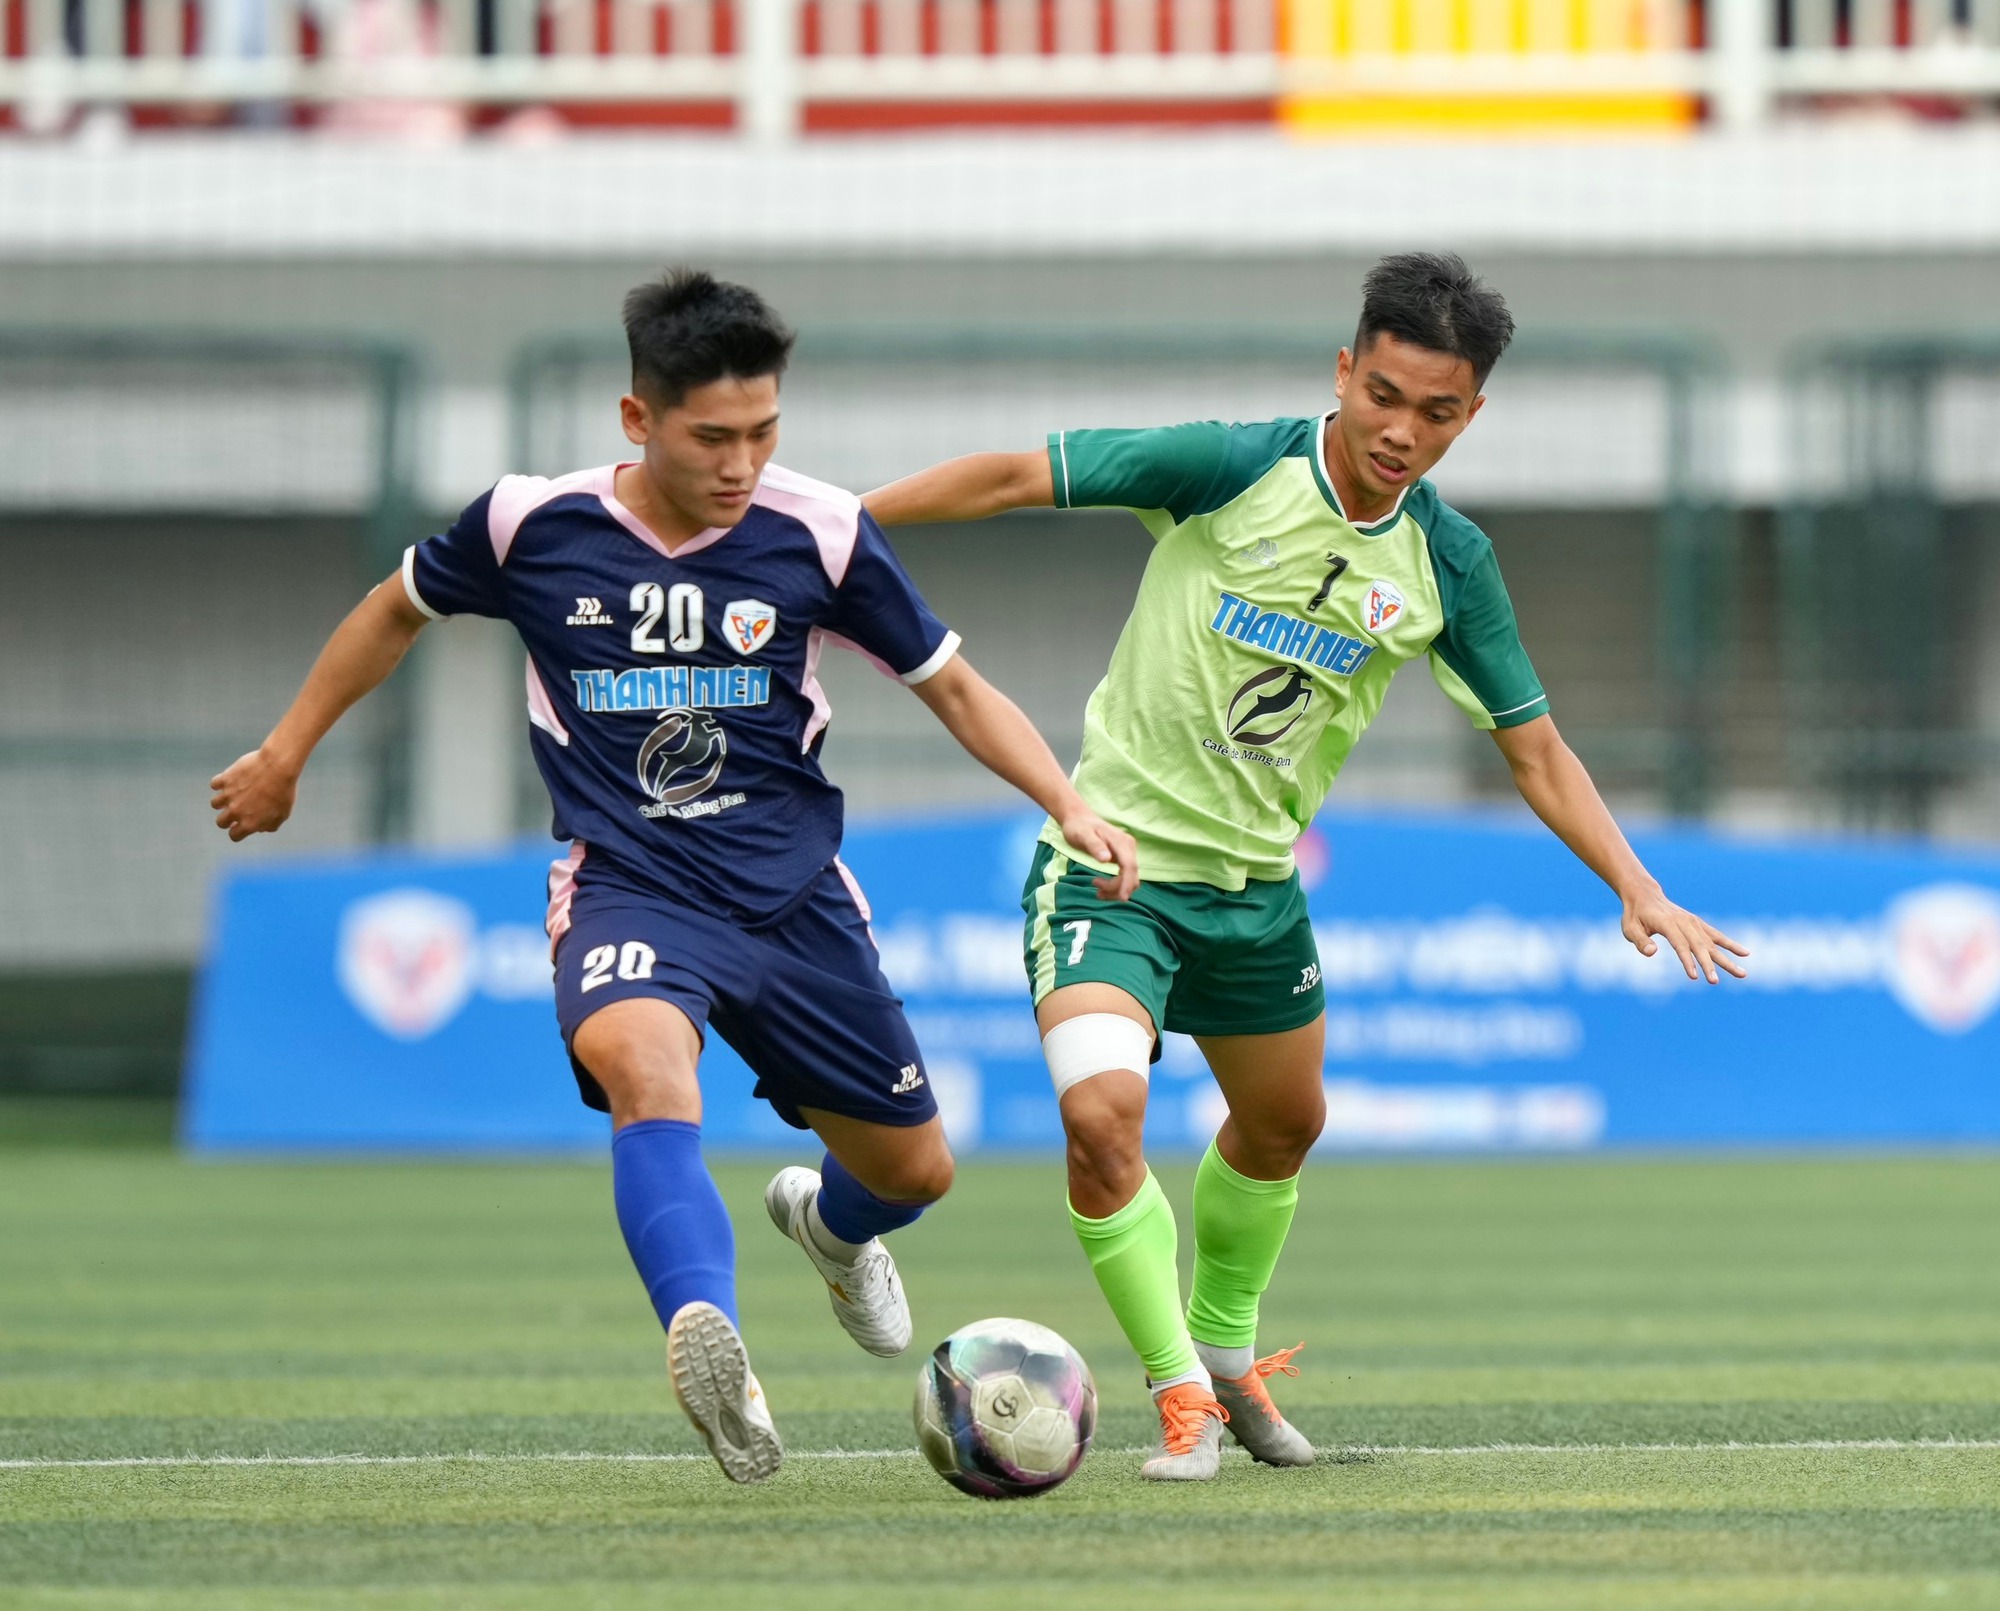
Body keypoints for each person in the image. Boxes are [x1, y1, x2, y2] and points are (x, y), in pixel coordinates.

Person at [209, 269, 1137, 1485]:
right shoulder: (528, 526)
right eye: (713, 437)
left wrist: (1065, 802)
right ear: (636, 420)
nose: (741, 462)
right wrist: (284, 755)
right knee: (650, 1074)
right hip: (629, 887)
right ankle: (714, 1349)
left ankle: (829, 1225)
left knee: (913, 1172)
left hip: (795, 902)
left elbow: (953, 685)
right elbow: (393, 609)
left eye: (763, 433)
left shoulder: (820, 532)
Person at [864, 251, 1749, 1482]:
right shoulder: (1230, 467)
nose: (1400, 431)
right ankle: (1178, 1399)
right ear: (1345, 370)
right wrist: (834, 530)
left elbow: (1535, 751)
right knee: (1100, 1118)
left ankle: (1224, 1356)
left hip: (1255, 898)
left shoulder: (1447, 563)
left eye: (1437, 413)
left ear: (1471, 415)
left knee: (1283, 1127)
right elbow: (1018, 474)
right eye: (1382, 395)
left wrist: (1635, 884)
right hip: (1109, 869)